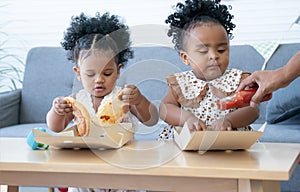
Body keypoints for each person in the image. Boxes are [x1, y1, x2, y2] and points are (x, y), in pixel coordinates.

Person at [46, 12, 158, 192]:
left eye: (107, 73)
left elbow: (151, 119)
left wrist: (140, 100)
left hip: (123, 170)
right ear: (78, 73)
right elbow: (55, 127)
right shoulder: (76, 100)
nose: (99, 80)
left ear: (118, 70)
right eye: (90, 74)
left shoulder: (124, 97)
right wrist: (57, 110)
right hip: (86, 171)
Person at [158, 0, 259, 139]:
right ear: (185, 57)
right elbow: (164, 108)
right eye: (203, 51)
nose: (214, 56)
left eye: (221, 50)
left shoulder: (238, 80)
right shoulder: (181, 83)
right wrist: (186, 118)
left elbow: (252, 110)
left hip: (229, 142)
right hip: (190, 141)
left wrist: (228, 120)